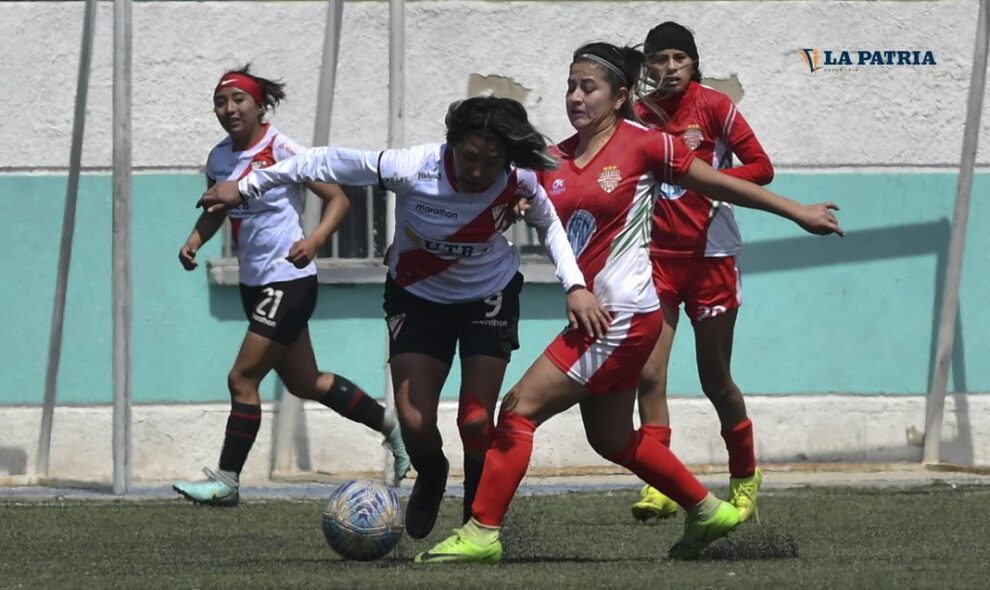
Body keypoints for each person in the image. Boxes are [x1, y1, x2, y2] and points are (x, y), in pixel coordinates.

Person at [413, 42, 842, 563]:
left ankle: (482, 532)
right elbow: (514, 196)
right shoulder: (558, 157)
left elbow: (720, 184)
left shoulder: (645, 145)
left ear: (618, 97)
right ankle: (708, 511)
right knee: (612, 437)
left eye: (588, 87)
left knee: (518, 411)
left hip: (621, 314)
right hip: (604, 315)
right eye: (571, 85)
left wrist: (797, 211)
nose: (575, 96)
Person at [196, 96, 610, 537]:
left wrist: (576, 285)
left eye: (491, 162)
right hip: (417, 295)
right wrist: (245, 187)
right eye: (469, 157)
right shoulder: (412, 167)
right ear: (451, 145)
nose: (477, 171)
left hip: (488, 295)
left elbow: (549, 225)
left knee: (474, 419)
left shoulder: (519, 179)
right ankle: (431, 472)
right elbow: (321, 162)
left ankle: (477, 519)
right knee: (413, 420)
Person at [172, 65, 410, 506]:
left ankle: (227, 480)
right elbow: (217, 207)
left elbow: (338, 198)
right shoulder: (219, 158)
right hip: (254, 284)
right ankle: (392, 429)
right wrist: (193, 239)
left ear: (260, 106)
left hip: (290, 280)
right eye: (221, 102)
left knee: (242, 378)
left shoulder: (283, 149)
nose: (229, 109)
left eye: (238, 100)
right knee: (306, 382)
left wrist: (315, 241)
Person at [629, 21, 794, 524]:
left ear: (694, 64)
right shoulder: (636, 116)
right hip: (656, 258)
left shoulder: (715, 107)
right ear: (648, 65)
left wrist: (707, 181)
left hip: (713, 260)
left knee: (715, 379)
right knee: (649, 373)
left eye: (681, 57)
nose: (671, 67)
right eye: (660, 58)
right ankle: (659, 481)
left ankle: (745, 476)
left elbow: (762, 168)